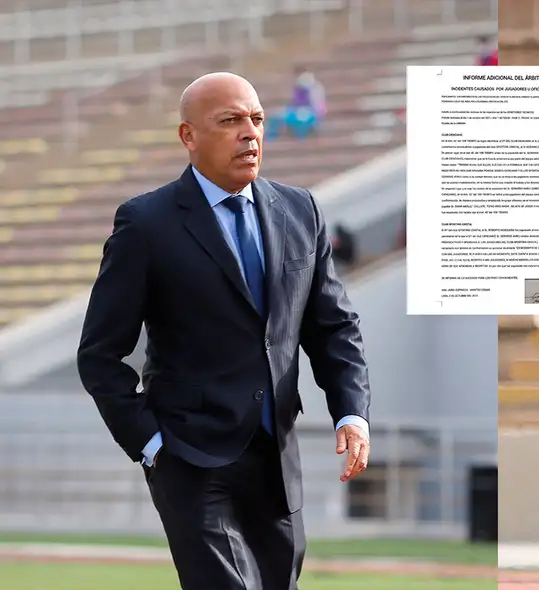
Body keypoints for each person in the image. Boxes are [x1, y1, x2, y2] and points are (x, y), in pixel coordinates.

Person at [76, 72, 372, 590]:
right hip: (189, 460)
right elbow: (99, 354)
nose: (250, 133)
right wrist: (151, 444)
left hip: (277, 460)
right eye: (230, 120)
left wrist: (351, 411)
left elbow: (333, 326)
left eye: (256, 119)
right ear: (188, 136)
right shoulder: (146, 223)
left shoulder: (301, 210)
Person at [266, 65, 327, 140]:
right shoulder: (297, 87)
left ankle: (301, 139)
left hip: (311, 113)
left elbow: (318, 106)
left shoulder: (315, 87)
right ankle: (270, 137)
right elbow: (294, 103)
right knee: (276, 116)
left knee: (301, 119)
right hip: (296, 111)